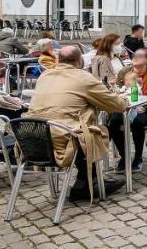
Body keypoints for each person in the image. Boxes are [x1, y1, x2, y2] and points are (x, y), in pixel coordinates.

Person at [26, 44, 128, 200]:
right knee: (95, 131)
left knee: (81, 128)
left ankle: (86, 181)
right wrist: (124, 99)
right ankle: (86, 183)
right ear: (80, 61)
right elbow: (118, 105)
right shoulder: (83, 77)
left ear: (59, 59)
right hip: (62, 141)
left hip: (33, 139)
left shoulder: (44, 76)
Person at [106, 48, 147, 171]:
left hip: (145, 110)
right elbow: (118, 90)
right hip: (124, 108)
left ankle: (138, 158)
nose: (135, 58)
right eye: (134, 56)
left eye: (139, 56)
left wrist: (145, 105)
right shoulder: (125, 71)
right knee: (114, 121)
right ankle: (124, 156)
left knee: (137, 122)